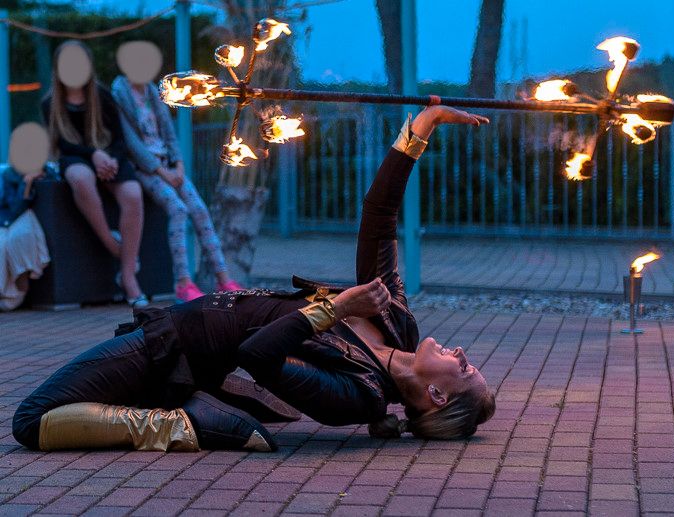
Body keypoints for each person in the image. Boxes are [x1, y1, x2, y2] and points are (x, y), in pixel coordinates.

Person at [12, 105, 495, 453]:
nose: (463, 354)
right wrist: (421, 131)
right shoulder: (397, 324)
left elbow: (257, 354)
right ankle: (187, 410)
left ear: (436, 396)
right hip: (177, 329)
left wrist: (338, 308)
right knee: (64, 408)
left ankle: (178, 424)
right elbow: (379, 217)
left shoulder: (360, 395)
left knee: (31, 421)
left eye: (466, 370)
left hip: (177, 348)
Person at [111, 41, 241, 302]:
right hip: (147, 169)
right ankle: (183, 282)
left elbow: (169, 134)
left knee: (200, 210)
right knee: (178, 209)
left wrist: (178, 166)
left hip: (169, 166)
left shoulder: (151, 91)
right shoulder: (120, 93)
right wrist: (161, 172)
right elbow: (131, 143)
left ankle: (224, 279)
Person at [41, 40, 147, 307]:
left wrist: (110, 159)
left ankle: (127, 277)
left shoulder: (102, 95)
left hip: (109, 155)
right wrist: (93, 155)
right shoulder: (50, 102)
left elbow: (121, 139)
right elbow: (62, 144)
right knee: (80, 178)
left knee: (133, 193)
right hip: (77, 158)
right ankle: (115, 247)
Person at [0, 123, 51, 311]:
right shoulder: (9, 175)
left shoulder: (46, 171)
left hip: (24, 222)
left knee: (17, 238)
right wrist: (27, 184)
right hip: (8, 220)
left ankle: (17, 291)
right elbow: (14, 208)